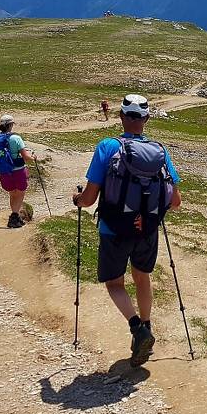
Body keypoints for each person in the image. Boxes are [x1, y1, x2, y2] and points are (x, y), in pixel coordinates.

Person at [72, 94, 182, 366]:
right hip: (148, 229)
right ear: (146, 119)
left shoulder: (107, 147)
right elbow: (176, 202)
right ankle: (147, 326)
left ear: (121, 116)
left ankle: (137, 328)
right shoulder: (160, 151)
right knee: (142, 278)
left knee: (115, 283)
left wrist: (77, 200)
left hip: (114, 229)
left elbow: (88, 199)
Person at [0, 114, 34, 228]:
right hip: (18, 170)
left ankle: (14, 216)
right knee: (20, 192)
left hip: (3, 171)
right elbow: (26, 157)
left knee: (12, 193)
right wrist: (33, 158)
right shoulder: (16, 138)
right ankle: (14, 216)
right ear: (10, 125)